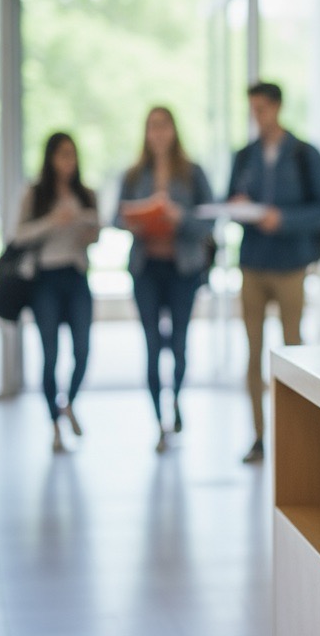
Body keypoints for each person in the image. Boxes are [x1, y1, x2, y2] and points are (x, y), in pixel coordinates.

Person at [227, 81, 320, 463]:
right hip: (253, 263)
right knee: (252, 352)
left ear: (276, 108)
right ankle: (258, 436)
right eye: (252, 109)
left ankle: (297, 434)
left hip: (291, 265)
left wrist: (284, 219)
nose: (257, 116)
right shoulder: (243, 157)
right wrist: (241, 207)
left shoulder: (304, 154)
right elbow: (231, 202)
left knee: (293, 349)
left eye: (261, 108)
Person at [115, 106, 214, 452]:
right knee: (152, 345)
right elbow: (117, 216)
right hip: (146, 269)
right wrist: (136, 220)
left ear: (173, 130)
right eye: (151, 127)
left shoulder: (192, 173)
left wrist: (179, 218)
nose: (157, 133)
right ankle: (159, 420)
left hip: (182, 270)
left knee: (180, 344)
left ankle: (177, 403)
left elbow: (208, 221)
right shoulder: (133, 174)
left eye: (163, 126)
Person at [13, 132, 100, 452]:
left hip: (76, 275)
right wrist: (53, 221)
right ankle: (54, 423)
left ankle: (69, 403)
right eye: (63, 154)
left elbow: (97, 232)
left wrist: (87, 230)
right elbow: (18, 235)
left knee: (82, 350)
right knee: (50, 354)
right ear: (51, 158)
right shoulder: (35, 194)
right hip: (45, 280)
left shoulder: (86, 193)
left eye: (72, 154)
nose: (69, 161)